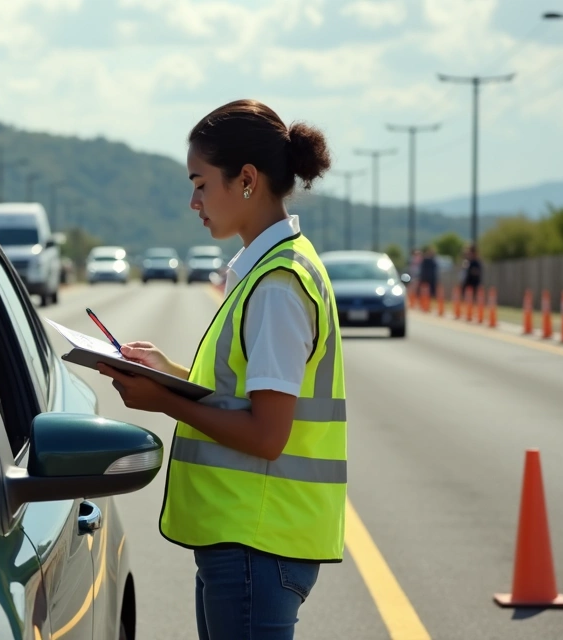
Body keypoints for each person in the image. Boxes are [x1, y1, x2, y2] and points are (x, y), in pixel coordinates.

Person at [96, 99, 346, 639]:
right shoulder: (268, 271)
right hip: (247, 541)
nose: (193, 201)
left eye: (201, 184)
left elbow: (266, 433)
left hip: (258, 543)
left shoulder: (278, 286)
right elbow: (247, 394)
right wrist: (171, 372)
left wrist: (163, 400)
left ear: (247, 180)